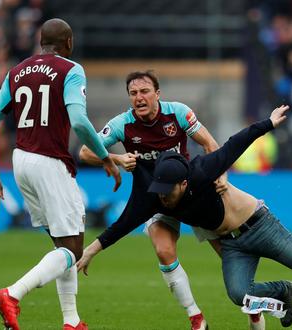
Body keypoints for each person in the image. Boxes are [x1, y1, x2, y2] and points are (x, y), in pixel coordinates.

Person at [140, 105, 292, 330]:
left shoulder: (202, 171)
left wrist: (267, 123)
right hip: (232, 243)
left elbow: (234, 144)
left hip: (260, 225)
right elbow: (130, 217)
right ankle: (282, 290)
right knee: (239, 294)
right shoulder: (166, 196)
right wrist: (99, 245)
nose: (162, 193)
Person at [0, 18, 121, 330]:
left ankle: (71, 322)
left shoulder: (16, 72)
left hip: (20, 161)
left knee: (63, 245)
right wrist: (105, 156)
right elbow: (81, 122)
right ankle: (12, 294)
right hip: (50, 162)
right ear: (68, 42)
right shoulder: (71, 70)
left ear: (40, 42)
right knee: (73, 249)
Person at [78, 70, 226, 330]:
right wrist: (116, 158)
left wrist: (220, 177)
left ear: (157, 94)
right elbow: (85, 152)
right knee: (164, 250)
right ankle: (196, 318)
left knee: (228, 255)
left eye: (145, 91)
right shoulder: (122, 124)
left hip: (187, 192)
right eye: (133, 93)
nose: (139, 98)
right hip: (156, 197)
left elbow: (211, 145)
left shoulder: (178, 113)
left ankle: (252, 306)